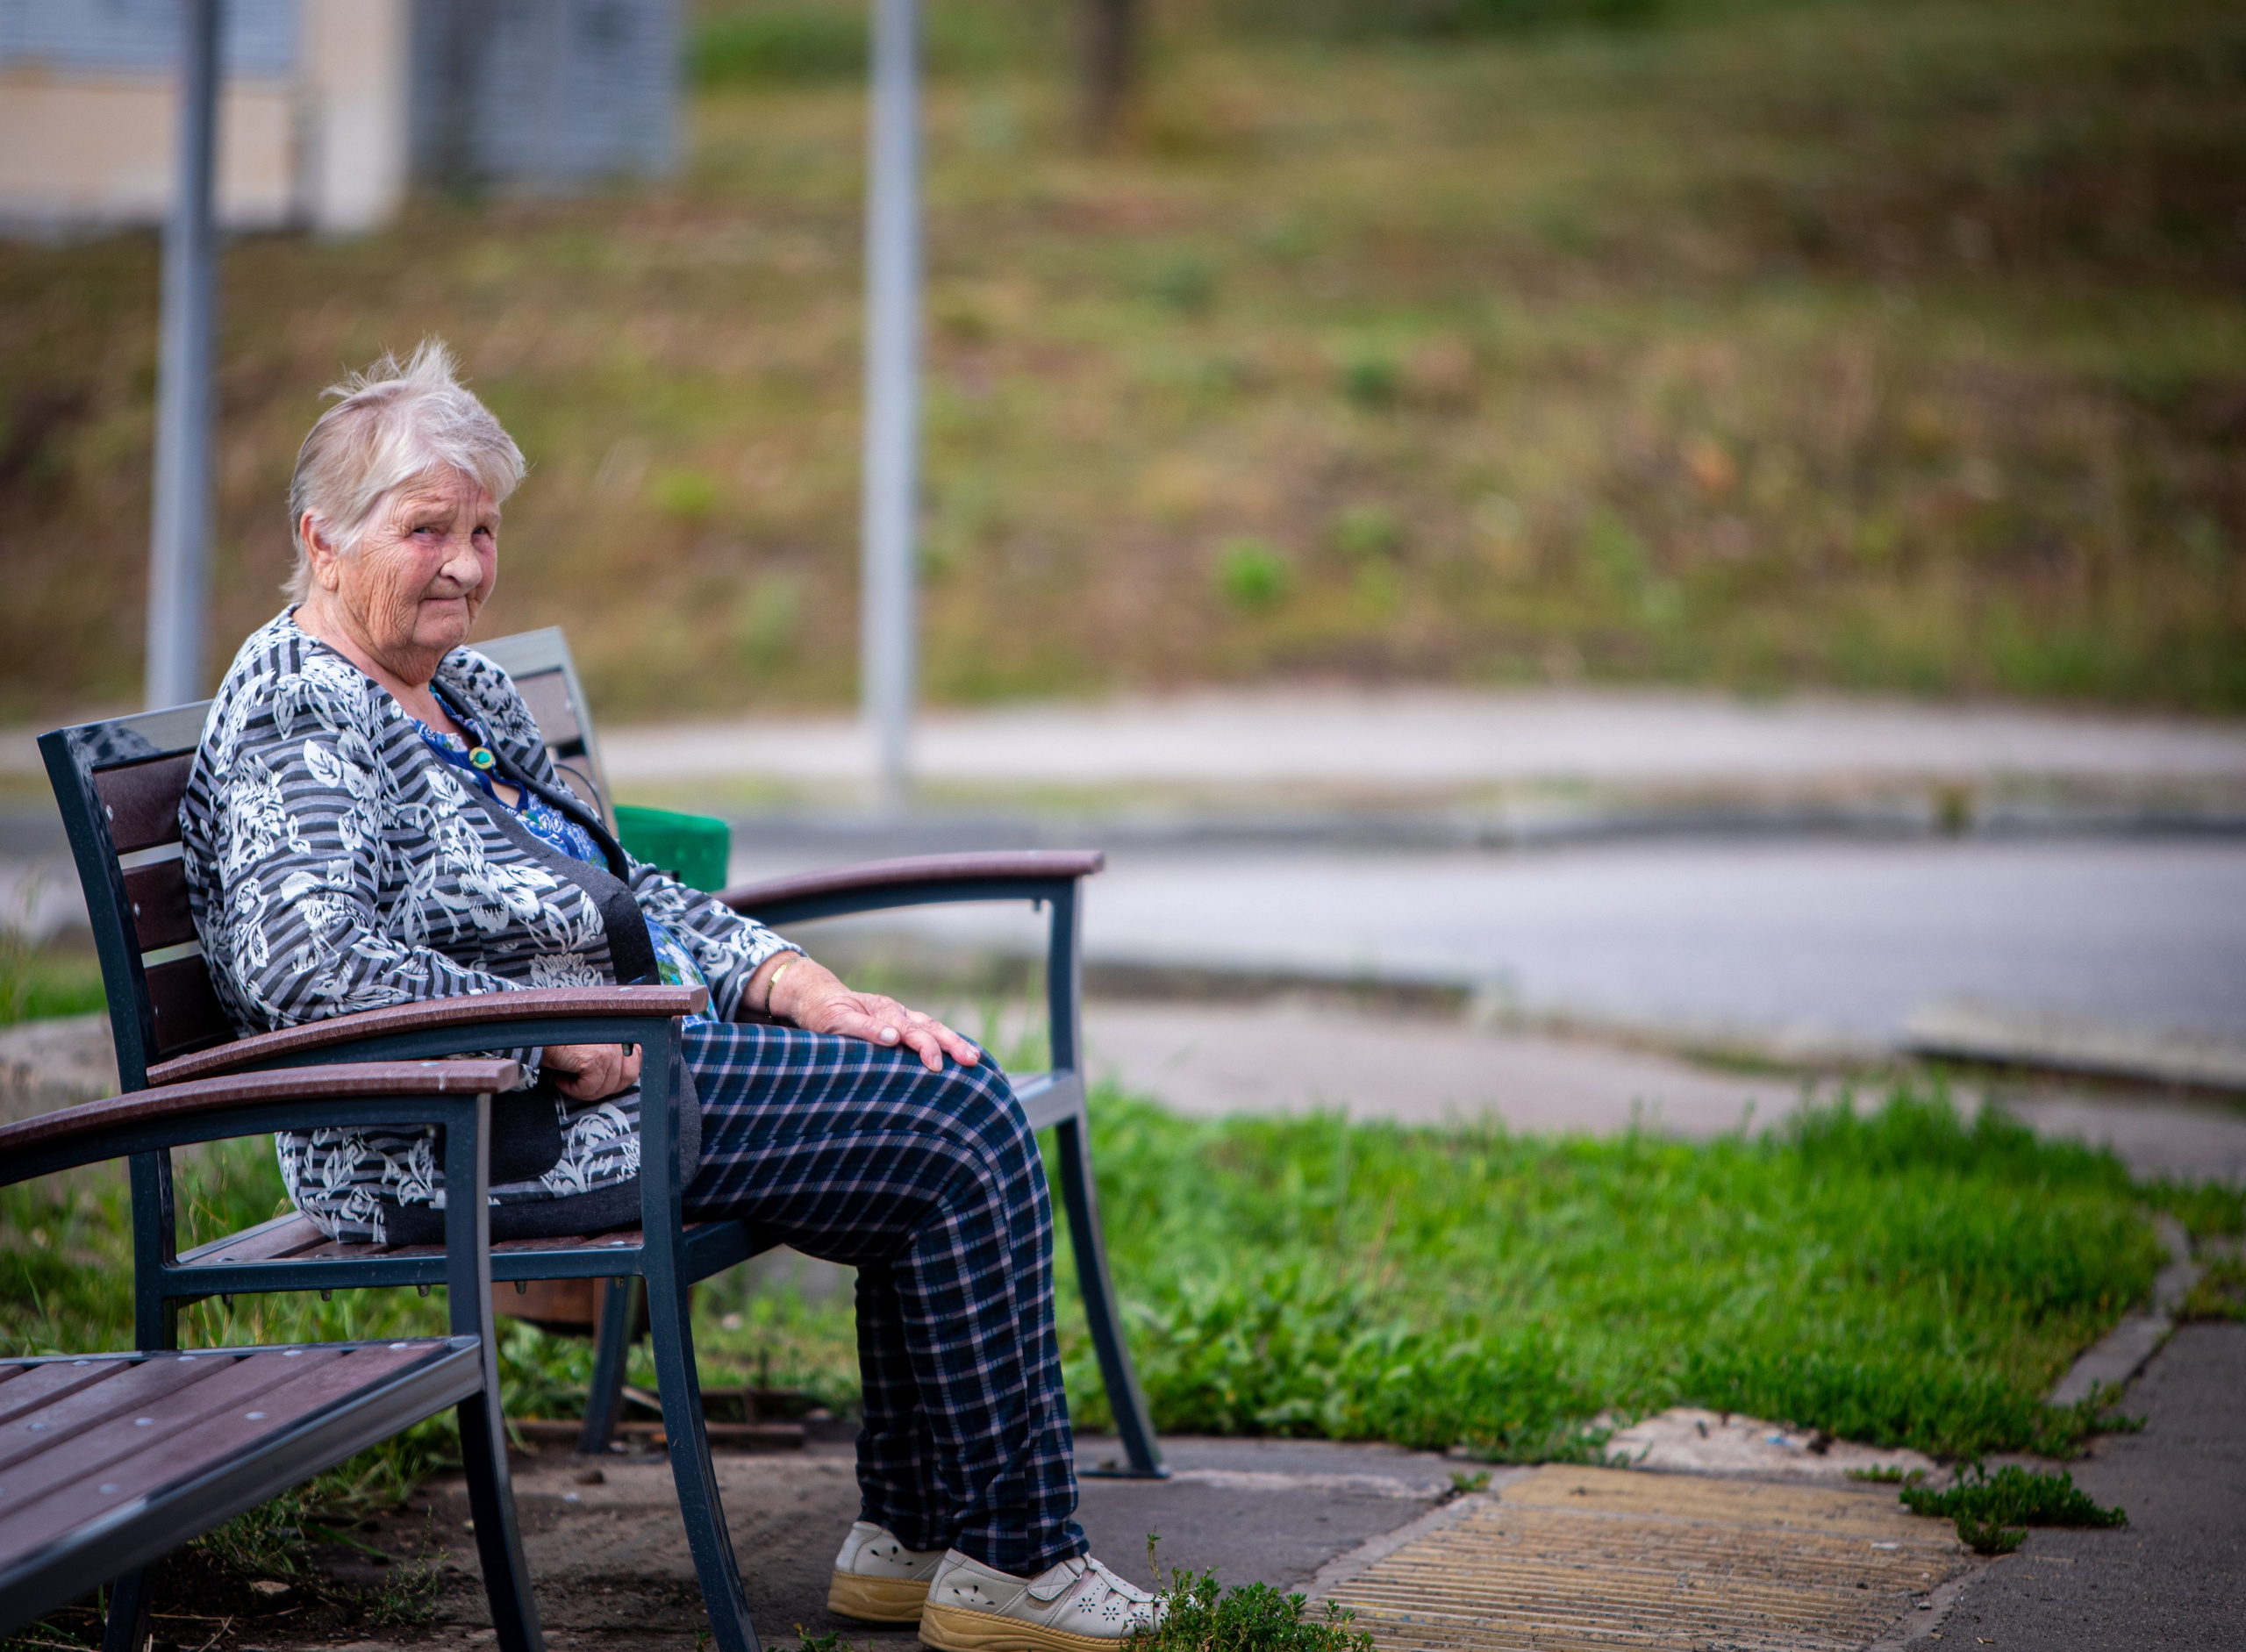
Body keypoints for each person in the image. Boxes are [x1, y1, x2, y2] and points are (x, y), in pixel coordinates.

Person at [178, 341, 1158, 1652]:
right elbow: (307, 966)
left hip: (609, 1073)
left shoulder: (452, 689)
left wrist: (795, 983)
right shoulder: (301, 714)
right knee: (960, 1123)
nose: (467, 566)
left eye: (483, 529)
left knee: (937, 1093)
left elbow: (619, 885)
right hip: (453, 1135)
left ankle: (924, 1538)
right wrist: (541, 1038)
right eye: (428, 531)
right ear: (324, 540)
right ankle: (1019, 1566)